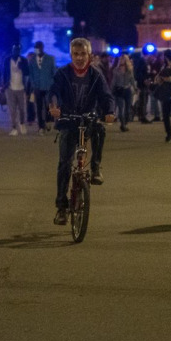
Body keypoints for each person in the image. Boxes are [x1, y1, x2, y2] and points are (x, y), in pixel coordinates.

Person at [48, 38, 116, 225]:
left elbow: (106, 96)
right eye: (76, 54)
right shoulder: (62, 73)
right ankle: (61, 207)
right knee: (64, 163)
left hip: (88, 118)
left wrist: (110, 112)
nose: (79, 58)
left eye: (83, 54)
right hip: (68, 119)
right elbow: (53, 92)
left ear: (89, 55)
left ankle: (95, 168)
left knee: (100, 129)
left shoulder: (96, 75)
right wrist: (54, 106)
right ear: (71, 55)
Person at [0, 44, 29, 135]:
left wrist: (22, 67)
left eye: (18, 50)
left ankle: (22, 124)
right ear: (12, 50)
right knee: (12, 110)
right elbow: (4, 73)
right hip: (10, 88)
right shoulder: (7, 60)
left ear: (20, 51)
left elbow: (27, 72)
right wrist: (3, 85)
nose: (16, 51)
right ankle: (14, 127)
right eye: (14, 50)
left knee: (22, 109)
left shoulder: (23, 60)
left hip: (21, 88)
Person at [28, 40, 56, 133]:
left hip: (48, 87)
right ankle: (41, 126)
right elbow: (31, 74)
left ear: (42, 48)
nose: (37, 50)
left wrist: (52, 84)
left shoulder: (50, 59)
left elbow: (53, 73)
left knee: (48, 105)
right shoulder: (32, 60)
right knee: (39, 107)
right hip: (37, 87)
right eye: (36, 48)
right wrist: (33, 85)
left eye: (38, 48)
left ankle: (48, 121)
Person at [111, 53, 135, 131]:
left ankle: (125, 121)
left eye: (123, 59)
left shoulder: (130, 70)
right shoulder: (116, 70)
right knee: (121, 108)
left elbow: (132, 80)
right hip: (119, 90)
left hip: (127, 90)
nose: (122, 60)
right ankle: (122, 124)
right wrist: (111, 90)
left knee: (127, 108)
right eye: (121, 59)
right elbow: (113, 81)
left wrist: (135, 88)